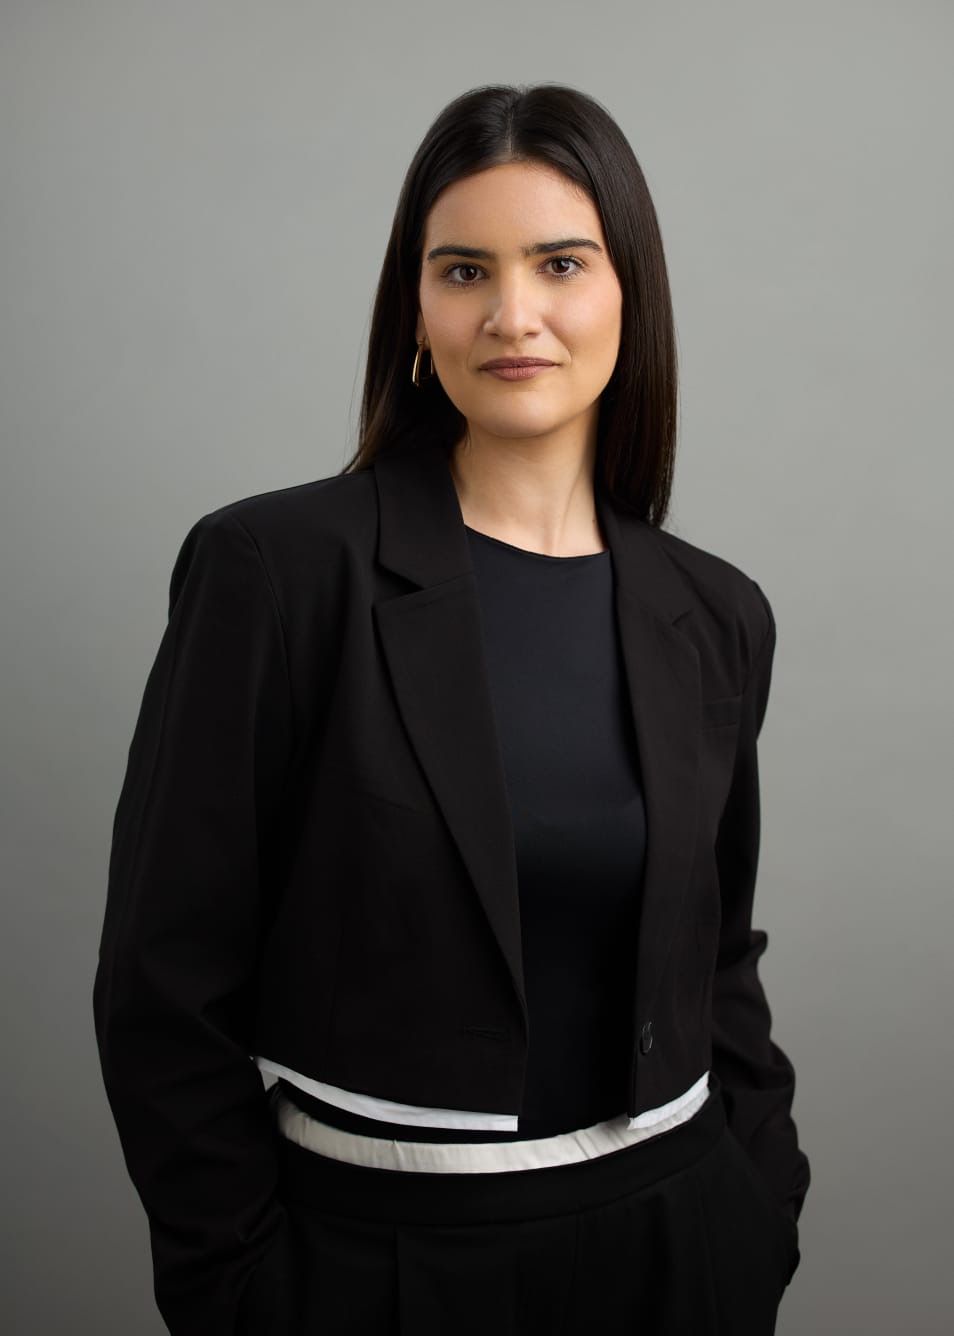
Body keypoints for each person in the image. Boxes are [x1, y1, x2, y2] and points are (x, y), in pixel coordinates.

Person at [93, 81, 811, 1336]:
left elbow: (717, 957)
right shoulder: (279, 574)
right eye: (465, 270)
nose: (511, 314)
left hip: (678, 1247)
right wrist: (239, 1289)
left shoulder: (715, 611)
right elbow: (163, 982)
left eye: (560, 264)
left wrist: (758, 1213)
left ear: (629, 297)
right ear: (416, 313)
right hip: (380, 1264)